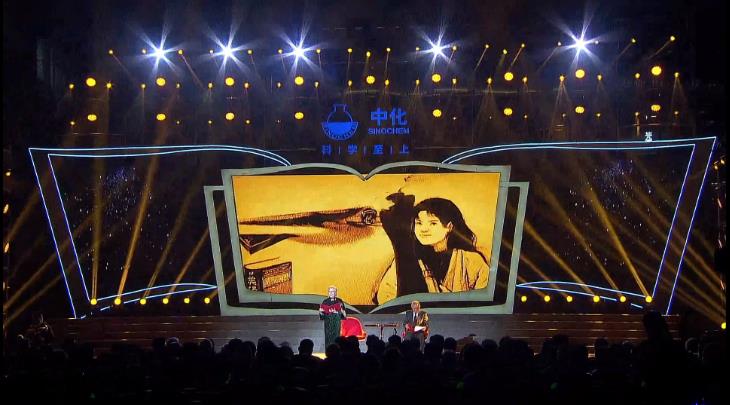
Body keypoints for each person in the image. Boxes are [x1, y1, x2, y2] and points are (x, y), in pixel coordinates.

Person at [377, 197, 490, 302]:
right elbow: (385, 295)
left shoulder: (471, 260)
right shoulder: (408, 258)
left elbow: (486, 297)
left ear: (449, 227)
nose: (424, 229)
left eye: (433, 223)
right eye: (419, 223)